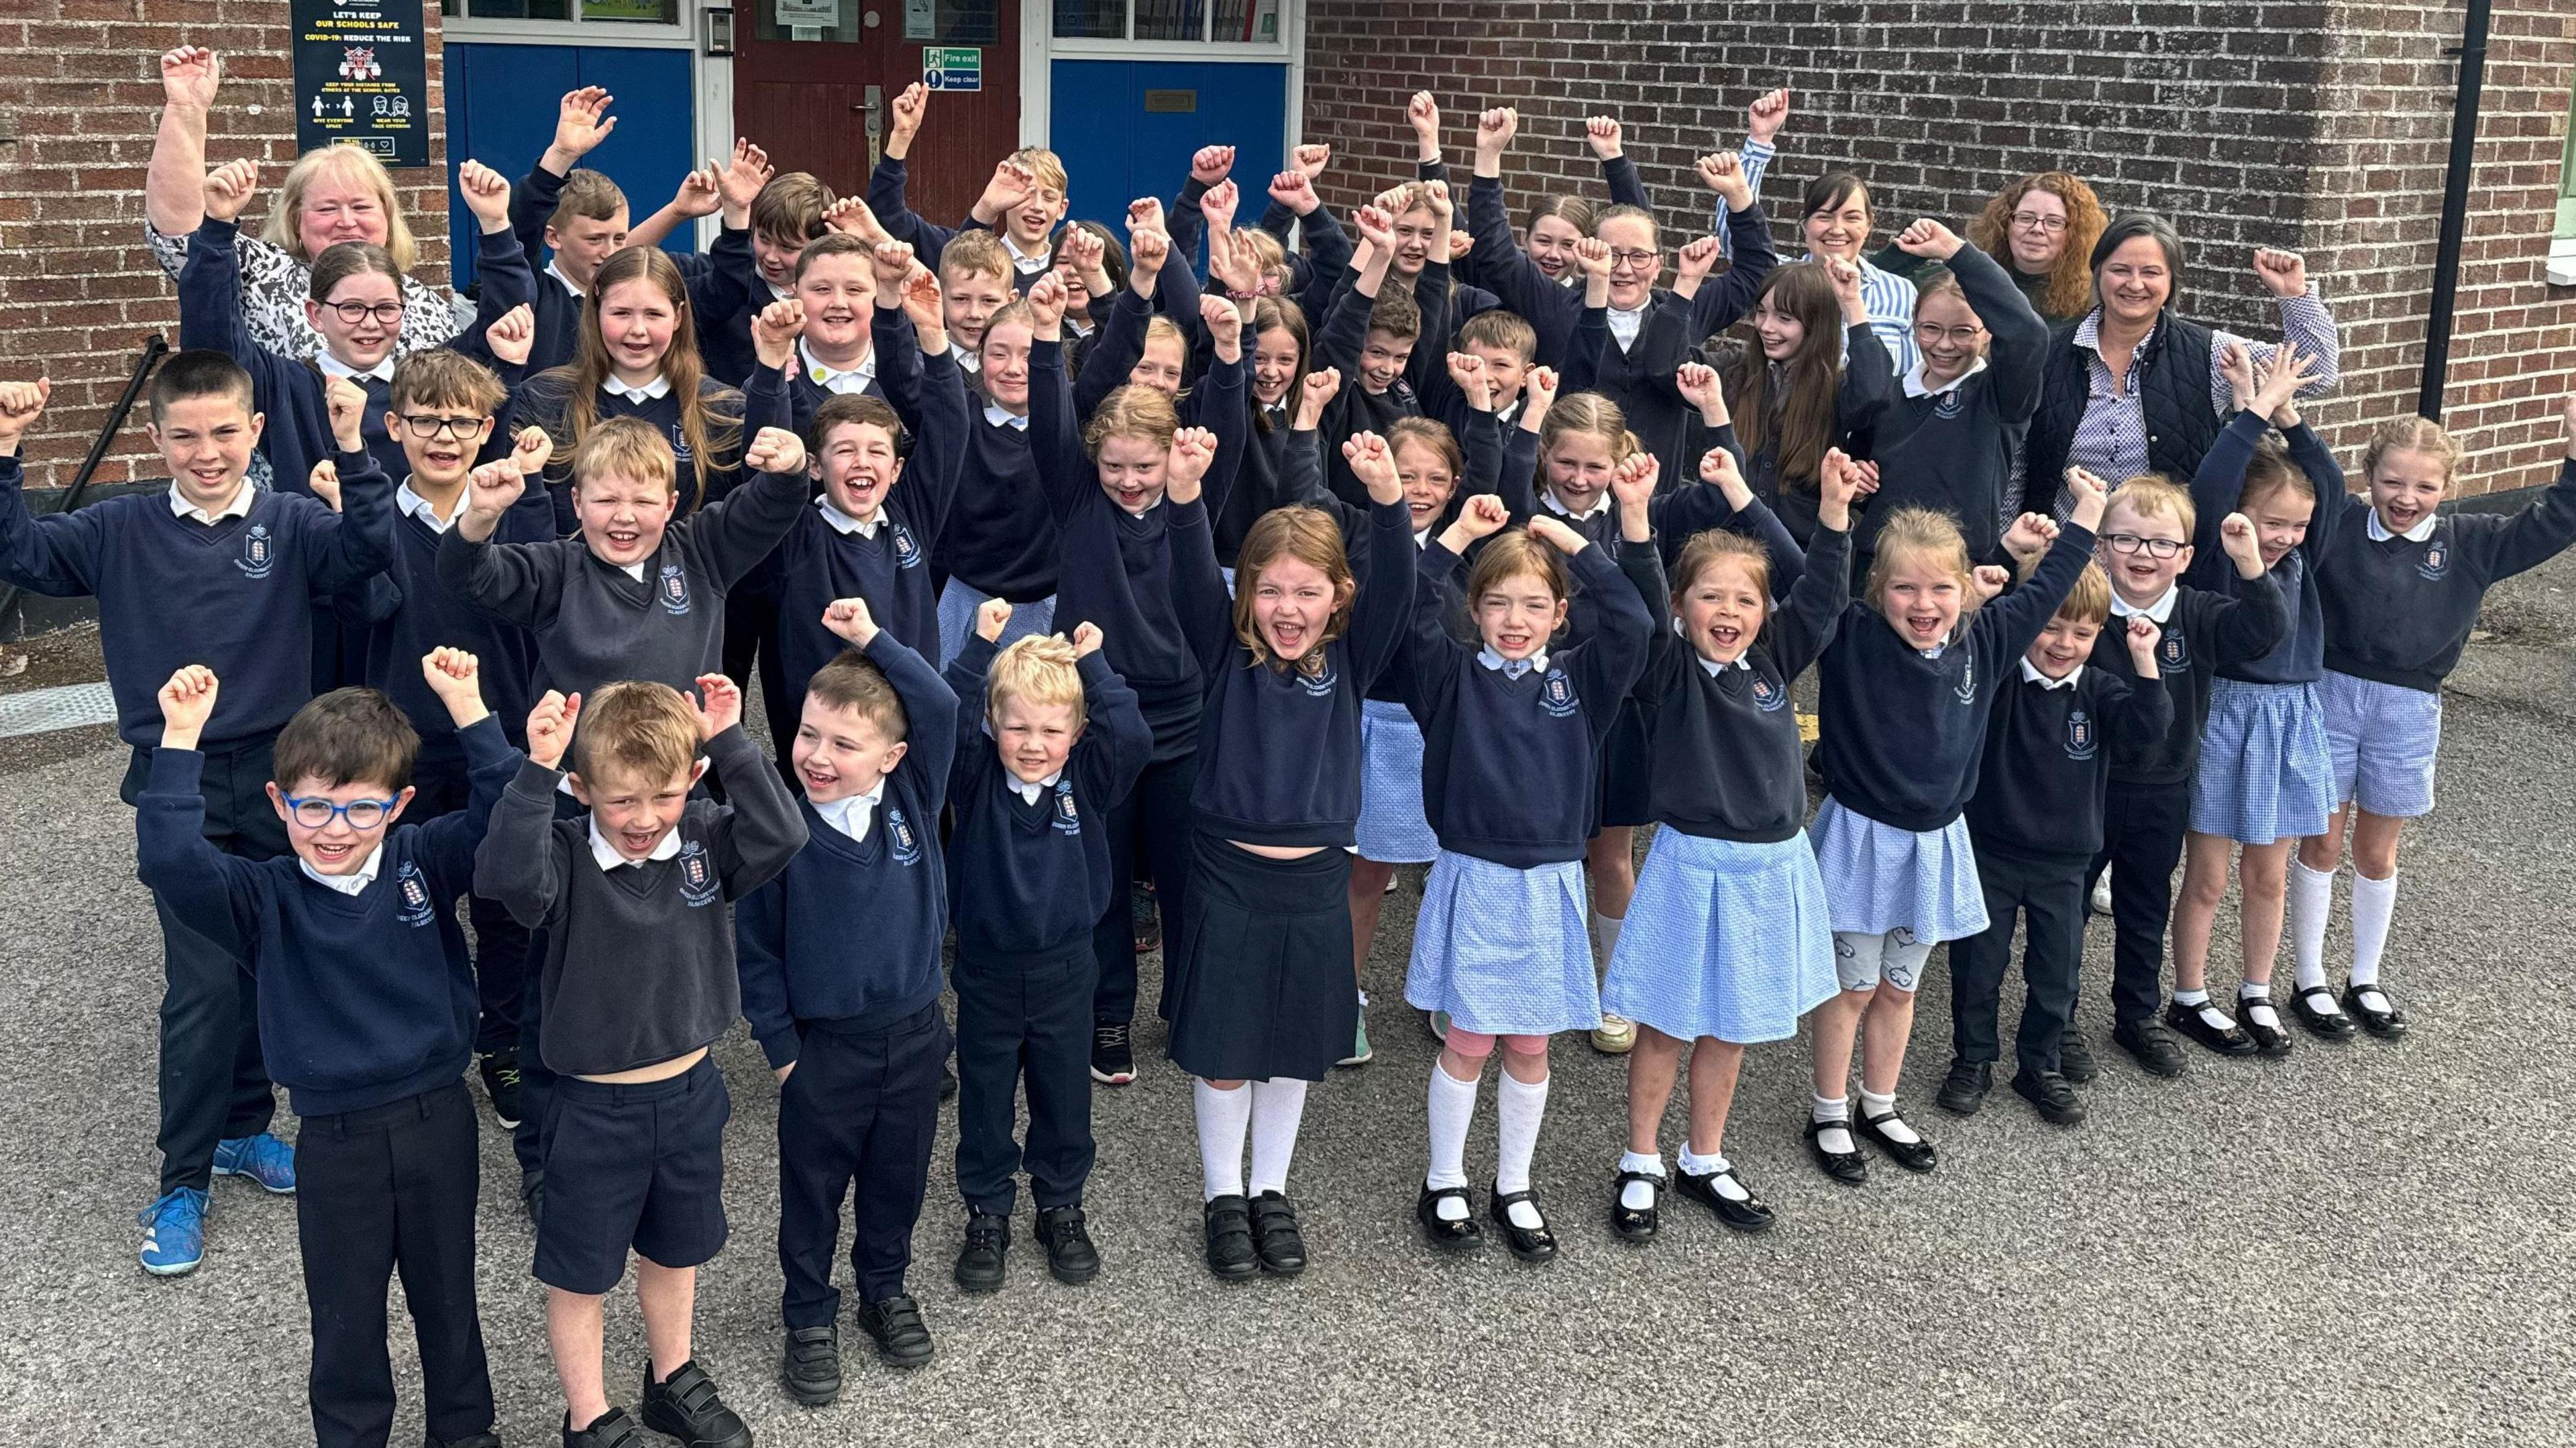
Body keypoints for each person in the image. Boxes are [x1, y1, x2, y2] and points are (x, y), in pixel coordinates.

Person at [0, 364, 393, 1275]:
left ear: (256, 429)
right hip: (175, 777)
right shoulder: (117, 526)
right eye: (185, 436)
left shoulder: (292, 522)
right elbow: (18, 552)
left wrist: (353, 447)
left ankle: (244, 1128)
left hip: (278, 781)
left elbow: (370, 552)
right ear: (155, 441)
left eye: (224, 433)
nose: (206, 453)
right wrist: (8, 453)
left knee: (268, 959)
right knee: (204, 981)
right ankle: (182, 1179)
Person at [137, 653, 514, 1448]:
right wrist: (179, 740)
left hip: (440, 1120)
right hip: (335, 1141)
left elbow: (505, 811)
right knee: (345, 1316)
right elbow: (172, 860)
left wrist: (471, 710)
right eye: (311, 808)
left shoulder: (422, 859)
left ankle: (467, 1431)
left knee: (450, 1298)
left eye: (360, 809)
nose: (334, 830)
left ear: (400, 804)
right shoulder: (262, 895)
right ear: (277, 801)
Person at [476, 674, 806, 1448]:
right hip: (591, 1110)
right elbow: (505, 879)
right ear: (582, 788)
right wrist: (535, 769)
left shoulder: (702, 836)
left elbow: (784, 834)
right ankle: (588, 1413)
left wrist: (728, 740)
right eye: (621, 800)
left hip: (692, 1094)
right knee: (581, 1273)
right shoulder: (559, 853)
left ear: (691, 781)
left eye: (662, 796)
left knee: (676, 1247)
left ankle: (672, 1377)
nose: (643, 818)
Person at [1803, 469, 2108, 1184]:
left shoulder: (1988, 639)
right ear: (1878, 590)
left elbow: (2044, 588)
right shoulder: (1852, 636)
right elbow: (1809, 575)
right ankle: (1827, 1111)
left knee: (1900, 988)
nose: (1924, 603)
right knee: (1850, 988)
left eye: (1942, 587)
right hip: (1862, 841)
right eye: (1905, 587)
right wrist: (1833, 512)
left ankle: (1879, 1103)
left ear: (1967, 590)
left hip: (1936, 844)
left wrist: (2088, 512)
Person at [1162, 430, 1417, 1280]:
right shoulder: (1222, 651)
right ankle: (1221, 1195)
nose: (1287, 607)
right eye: (1269, 589)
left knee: (1292, 1049)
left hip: (1316, 876)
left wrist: (1389, 498)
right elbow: (1187, 574)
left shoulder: (1352, 656)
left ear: (1339, 597)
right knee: (1225, 1047)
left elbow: (1401, 584)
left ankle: (1271, 1189)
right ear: (1244, 594)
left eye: (1308, 591)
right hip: (1225, 872)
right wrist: (1187, 495)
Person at [1602, 451, 1863, 1241]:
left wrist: (1837, 515)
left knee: (1733, 1024)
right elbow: (1641, 606)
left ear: (1762, 612)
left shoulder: (1773, 664)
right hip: (1693, 865)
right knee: (1667, 1023)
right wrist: (1638, 520)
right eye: (1710, 595)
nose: (1728, 608)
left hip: (1772, 867)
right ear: (1683, 608)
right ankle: (1640, 1158)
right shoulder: (1672, 669)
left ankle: (1703, 1154)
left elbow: (1822, 593)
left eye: (1745, 598)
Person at [1403, 457, 1658, 1262]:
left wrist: (1569, 538)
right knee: (1471, 1040)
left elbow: (1636, 622)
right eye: (1499, 603)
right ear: (1475, 610)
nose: (1516, 619)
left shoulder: (1582, 681)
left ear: (1558, 615)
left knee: (1531, 1045)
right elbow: (1406, 609)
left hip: (1549, 881)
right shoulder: (1448, 675)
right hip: (1476, 875)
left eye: (1535, 605)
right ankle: (1444, 1178)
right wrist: (1456, 538)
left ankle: (1513, 1182)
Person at [1024, 274, 1249, 1084]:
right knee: (1106, 880)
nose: (1129, 479)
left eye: (1144, 465)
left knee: (1189, 879)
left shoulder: (1192, 496)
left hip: (1185, 720)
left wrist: (1229, 352)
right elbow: (1052, 418)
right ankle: (1108, 1013)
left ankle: (1188, 1006)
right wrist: (1047, 336)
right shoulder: (1077, 495)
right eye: (1115, 464)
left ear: (1170, 456)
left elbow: (1225, 422)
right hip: (1094, 717)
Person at [2296, 395, 2576, 1035]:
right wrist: (2284, 416)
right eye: (2391, 481)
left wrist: (2574, 455)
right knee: (2323, 840)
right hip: (2331, 694)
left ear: (2449, 487)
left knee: (2376, 850)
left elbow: (2555, 521)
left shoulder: (2472, 542)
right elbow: (2309, 465)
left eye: (2425, 485)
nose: (2406, 496)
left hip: (2409, 708)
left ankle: (2363, 976)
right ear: (2367, 477)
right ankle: (2308, 976)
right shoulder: (2337, 522)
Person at [736, 600, 959, 1401]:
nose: (818, 755)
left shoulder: (913, 801)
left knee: (896, 1179)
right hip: (823, 1049)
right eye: (807, 735)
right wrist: (784, 1052)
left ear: (894, 756)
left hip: (913, 1036)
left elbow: (940, 704)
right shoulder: (779, 829)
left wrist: (872, 640)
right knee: (813, 1190)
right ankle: (808, 1313)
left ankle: (884, 1288)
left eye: (844, 742)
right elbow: (755, 950)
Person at [358, 350, 557, 1129]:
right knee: (413, 898)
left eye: (464, 421)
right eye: (427, 419)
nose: (445, 436)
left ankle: (502, 1041)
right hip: (401, 744)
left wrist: (530, 492)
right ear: (395, 425)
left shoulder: (513, 509)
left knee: (508, 902)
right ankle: (428, 1037)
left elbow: (543, 608)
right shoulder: (371, 518)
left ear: (488, 430)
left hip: (498, 735)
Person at [941, 606, 1151, 1293]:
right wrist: (979, 646)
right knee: (986, 1097)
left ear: (1077, 733)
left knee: (1064, 1096)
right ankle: (988, 1206)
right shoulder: (972, 782)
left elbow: (1133, 737)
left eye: (1052, 730)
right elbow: (944, 715)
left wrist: (1093, 661)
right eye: (1018, 726)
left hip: (1067, 971)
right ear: (993, 725)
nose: (1033, 743)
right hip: (988, 972)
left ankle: (1060, 1202)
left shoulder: (1085, 781)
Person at [2061, 462, 2286, 1080]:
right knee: (2070, 906)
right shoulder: (2080, 611)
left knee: (2144, 907)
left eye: (2162, 543)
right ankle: (2059, 1022)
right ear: (2103, 546)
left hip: (2164, 787)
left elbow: (2265, 631)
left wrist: (2249, 564)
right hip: (2090, 786)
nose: (2143, 554)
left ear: (2185, 556)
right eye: (2127, 539)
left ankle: (2136, 1015)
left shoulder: (2198, 613)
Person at [1943, 564, 2171, 1126]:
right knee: (1978, 968)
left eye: (2083, 633)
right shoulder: (1997, 681)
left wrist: (2145, 661)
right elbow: (1952, 663)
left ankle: (2039, 1065)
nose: (2064, 644)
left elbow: (2149, 731)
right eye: (2051, 627)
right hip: (1990, 852)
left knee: (2057, 973)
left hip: (2066, 863)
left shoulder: (2100, 692)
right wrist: (1980, 603)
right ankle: (1973, 1058)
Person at [2161, 347, 2341, 1061]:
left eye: (2297, 526)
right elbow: (2209, 489)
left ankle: (2259, 990)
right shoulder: (2218, 555)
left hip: (2292, 719)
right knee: (2206, 874)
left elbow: (2324, 480)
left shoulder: (2303, 559)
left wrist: (2287, 415)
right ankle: (2190, 994)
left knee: (2267, 872)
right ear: (2241, 516)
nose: (2287, 537)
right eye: (2275, 522)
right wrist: (2250, 414)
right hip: (2227, 714)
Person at [178, 156, 533, 493]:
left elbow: (508, 319)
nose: (370, 324)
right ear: (316, 314)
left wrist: (495, 224)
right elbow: (213, 341)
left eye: (385, 309)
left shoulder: (434, 381)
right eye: (351, 308)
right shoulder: (284, 386)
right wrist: (217, 229)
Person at [437, 392, 811, 704]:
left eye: (644, 503)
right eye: (606, 501)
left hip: (678, 778)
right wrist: (482, 516)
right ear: (578, 503)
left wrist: (792, 467)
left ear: (670, 504)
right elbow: (468, 577)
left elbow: (768, 508)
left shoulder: (701, 551)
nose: (625, 516)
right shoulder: (555, 571)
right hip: (580, 780)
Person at [745, 246, 963, 763]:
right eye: (844, 451)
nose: (861, 463)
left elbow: (951, 429)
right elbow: (766, 452)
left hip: (906, 737)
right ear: (817, 468)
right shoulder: (798, 528)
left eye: (876, 453)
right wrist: (772, 364)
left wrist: (933, 336)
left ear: (898, 468)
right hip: (818, 744)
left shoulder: (911, 518)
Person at [145, 46, 465, 361]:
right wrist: (186, 108)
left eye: (362, 207)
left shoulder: (426, 305)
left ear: (387, 216)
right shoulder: (261, 275)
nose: (347, 221)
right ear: (296, 219)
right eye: (327, 208)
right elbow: (181, 233)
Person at [2021, 218, 2341, 514]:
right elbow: (2015, 463)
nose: (2135, 284)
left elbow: (2318, 372)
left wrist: (2293, 296)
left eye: (2151, 272)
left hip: (2169, 562)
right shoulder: (2047, 353)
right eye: (2121, 270)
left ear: (2172, 282)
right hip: (2062, 560)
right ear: (2098, 273)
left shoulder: (2209, 353)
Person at [1841, 218, 2049, 573]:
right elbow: (1857, 474)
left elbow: (2029, 334)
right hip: (1878, 571)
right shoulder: (1889, 393)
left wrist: (1957, 253)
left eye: (1963, 331)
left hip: (1958, 574)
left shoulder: (1999, 398)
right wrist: (1856, 484)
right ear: (1914, 325)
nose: (1945, 344)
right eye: (1931, 329)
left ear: (1987, 334)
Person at [1721, 258, 1889, 544]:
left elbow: (1873, 393)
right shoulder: (1738, 373)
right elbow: (1666, 366)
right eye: (1762, 313)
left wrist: (1852, 304)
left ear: (1816, 324)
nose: (1767, 327)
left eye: (1785, 318)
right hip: (1731, 546)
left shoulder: (1835, 389)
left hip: (1802, 552)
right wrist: (1688, 283)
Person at [1871, 172, 2108, 327]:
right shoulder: (1968, 279)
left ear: (2075, 234)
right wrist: (1906, 252)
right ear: (2006, 223)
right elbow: (1867, 287)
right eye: (2026, 218)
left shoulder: (2089, 304)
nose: (2037, 229)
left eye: (2054, 222)